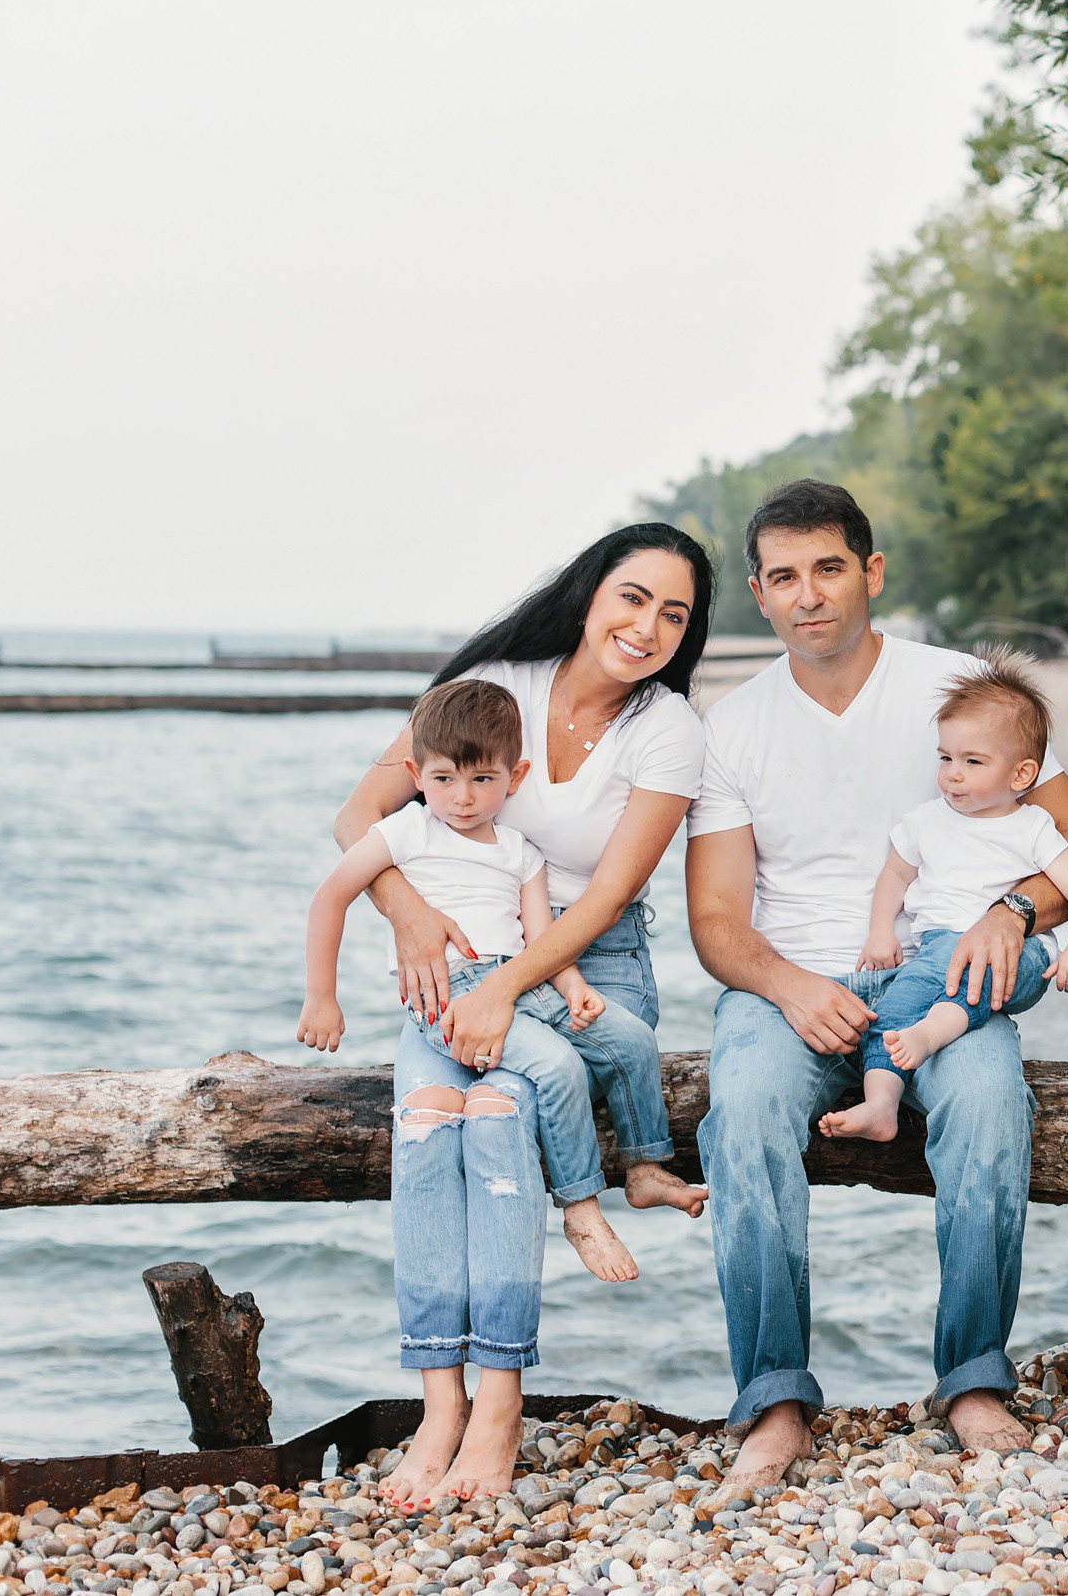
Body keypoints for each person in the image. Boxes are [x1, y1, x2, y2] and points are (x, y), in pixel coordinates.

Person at [686, 479, 1068, 1482]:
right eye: (784, 577)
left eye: (829, 568)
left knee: (989, 1107)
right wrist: (793, 989)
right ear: (759, 592)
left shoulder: (956, 687)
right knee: (740, 1111)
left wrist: (1009, 913)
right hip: (790, 984)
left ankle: (970, 1380)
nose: (809, 596)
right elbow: (715, 922)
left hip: (942, 978)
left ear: (870, 572)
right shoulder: (732, 726)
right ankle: (776, 1401)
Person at [330, 522, 717, 1504]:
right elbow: (359, 820)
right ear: (591, 593)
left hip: (592, 966)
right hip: (457, 965)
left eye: (675, 612)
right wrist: (409, 915)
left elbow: (598, 899)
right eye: (633, 597)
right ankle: (439, 1400)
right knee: (427, 1130)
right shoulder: (501, 681)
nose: (648, 626)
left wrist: (508, 986)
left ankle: (492, 1408)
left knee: (499, 1117)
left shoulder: (667, 728)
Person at [299, 678, 673, 1270]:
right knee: (556, 1067)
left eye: (482, 779)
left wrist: (573, 988)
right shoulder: (405, 832)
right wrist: (322, 996)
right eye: (444, 779)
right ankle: (581, 1209)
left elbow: (540, 938)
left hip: (522, 980)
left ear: (514, 777)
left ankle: (646, 1166)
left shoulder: (519, 850)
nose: (463, 797)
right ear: (415, 775)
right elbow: (330, 896)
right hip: (450, 994)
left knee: (630, 1038)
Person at [819, 650, 1068, 1142]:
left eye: (973, 762)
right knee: (889, 1016)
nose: (953, 774)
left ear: (1021, 775)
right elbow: (894, 876)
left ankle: (932, 1034)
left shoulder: (1033, 828)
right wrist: (881, 930)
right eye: (946, 758)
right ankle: (880, 1106)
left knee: (970, 978)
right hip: (936, 953)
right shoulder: (926, 822)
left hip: (1020, 955)